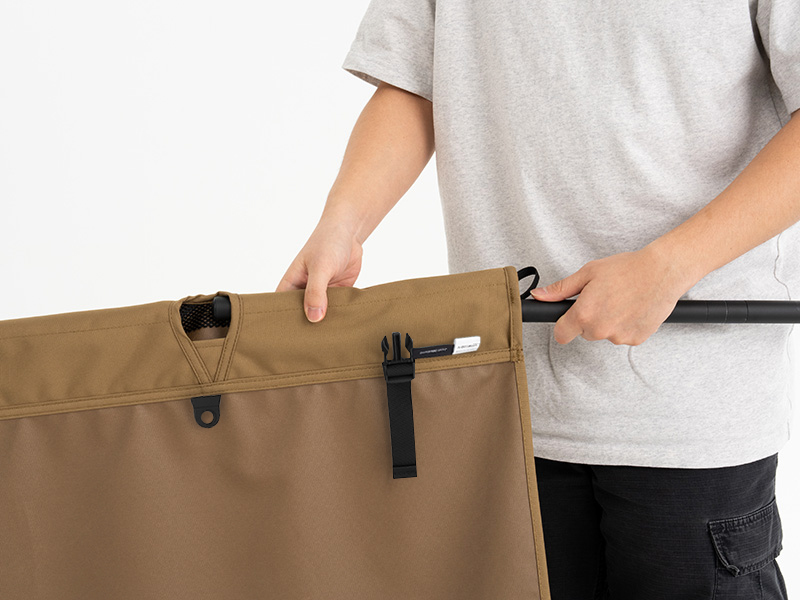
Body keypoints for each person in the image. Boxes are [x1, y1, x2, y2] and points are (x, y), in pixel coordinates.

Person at [276, 1, 799, 597]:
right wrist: (344, 223)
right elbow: (413, 81)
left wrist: (669, 266)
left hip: (689, 415)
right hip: (501, 403)